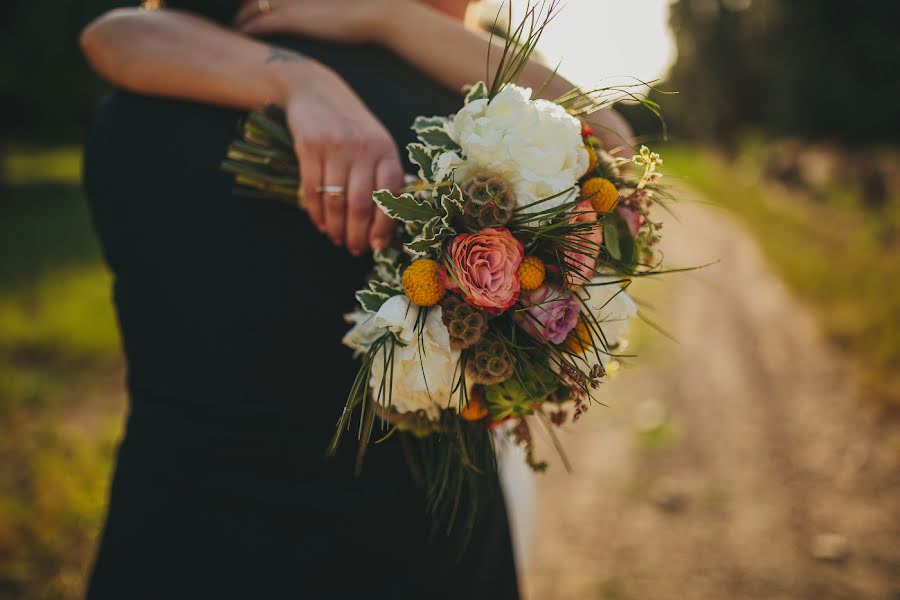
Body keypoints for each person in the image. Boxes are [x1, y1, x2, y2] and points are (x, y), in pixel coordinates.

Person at [79, 1, 631, 597]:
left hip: (173, 549)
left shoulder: (131, 103)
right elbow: (610, 138)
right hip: (408, 560)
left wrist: (310, 69)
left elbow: (110, 32)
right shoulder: (454, 121)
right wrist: (390, 21)